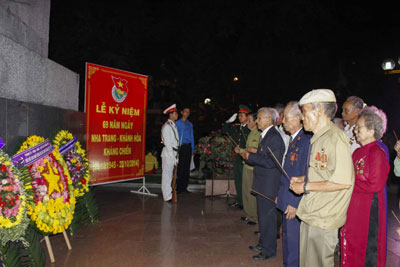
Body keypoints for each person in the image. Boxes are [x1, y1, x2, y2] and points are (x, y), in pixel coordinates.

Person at [290, 89, 354, 267]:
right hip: (313, 212)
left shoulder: (336, 138)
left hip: (324, 217)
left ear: (318, 111)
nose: (302, 118)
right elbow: (325, 173)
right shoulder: (319, 138)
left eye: (305, 111)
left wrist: (305, 186)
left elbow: (342, 181)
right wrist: (303, 179)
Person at [340, 106, 390, 267]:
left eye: (359, 128)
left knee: (367, 249)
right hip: (354, 206)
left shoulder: (378, 152)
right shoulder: (357, 152)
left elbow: (375, 184)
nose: (355, 131)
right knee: (352, 244)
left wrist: (349, 183)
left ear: (371, 130)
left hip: (369, 210)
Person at [241, 107, 285, 261]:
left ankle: (269, 249)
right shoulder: (266, 135)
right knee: (262, 215)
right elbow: (265, 155)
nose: (257, 121)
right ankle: (263, 242)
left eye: (259, 118)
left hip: (269, 184)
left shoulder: (274, 137)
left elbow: (273, 162)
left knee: (268, 217)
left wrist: (250, 157)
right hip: (262, 182)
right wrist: (255, 152)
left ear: (268, 119)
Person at [277, 101, 311, 267]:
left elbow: (304, 174)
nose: (283, 121)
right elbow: (288, 171)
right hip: (287, 196)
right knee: (288, 241)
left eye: (287, 118)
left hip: (294, 200)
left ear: (298, 118)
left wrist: (294, 203)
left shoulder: (305, 141)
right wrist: (281, 196)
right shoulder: (294, 139)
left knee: (294, 242)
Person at [222, 104, 251, 208]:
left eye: (242, 115)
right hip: (238, 158)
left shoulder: (250, 129)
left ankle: (245, 202)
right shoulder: (236, 128)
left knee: (245, 181)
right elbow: (224, 131)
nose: (239, 117)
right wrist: (228, 122)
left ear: (247, 116)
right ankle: (239, 201)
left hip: (246, 157)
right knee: (238, 180)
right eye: (239, 115)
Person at [235, 112, 260, 225]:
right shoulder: (251, 133)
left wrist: (240, 151)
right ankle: (248, 214)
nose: (248, 123)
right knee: (245, 192)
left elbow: (254, 151)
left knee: (251, 193)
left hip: (252, 167)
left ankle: (254, 217)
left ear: (255, 121)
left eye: (250, 120)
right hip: (246, 165)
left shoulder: (258, 134)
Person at [161, 104, 179, 202]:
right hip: (168, 154)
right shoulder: (167, 127)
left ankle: (169, 193)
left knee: (171, 175)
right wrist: (173, 158)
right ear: (171, 114)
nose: (177, 115)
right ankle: (167, 196)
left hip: (173, 153)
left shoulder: (173, 125)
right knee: (167, 175)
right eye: (175, 113)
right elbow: (168, 145)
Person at [175, 106, 195, 193]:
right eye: (185, 111)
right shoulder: (177, 123)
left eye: (188, 112)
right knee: (181, 167)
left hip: (188, 147)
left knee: (187, 168)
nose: (187, 113)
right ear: (182, 112)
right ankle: (178, 188)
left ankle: (184, 187)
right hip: (181, 147)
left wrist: (193, 149)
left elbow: (192, 137)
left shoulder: (190, 124)